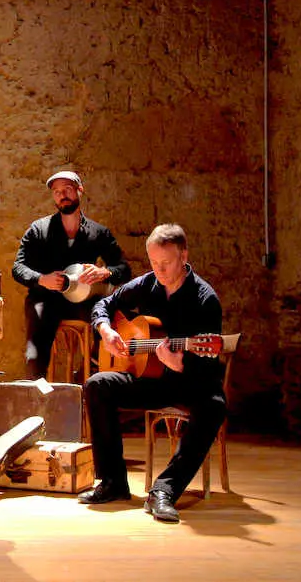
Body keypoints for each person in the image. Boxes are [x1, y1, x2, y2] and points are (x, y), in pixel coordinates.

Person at [78, 223, 225, 524]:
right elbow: (104, 304)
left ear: (184, 255)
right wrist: (105, 330)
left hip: (188, 381)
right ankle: (112, 482)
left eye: (166, 263)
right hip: (151, 379)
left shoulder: (204, 299)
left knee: (214, 406)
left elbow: (209, 364)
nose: (159, 269)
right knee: (97, 385)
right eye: (153, 263)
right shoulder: (148, 284)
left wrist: (178, 364)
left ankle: (165, 491)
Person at [11, 171, 130, 378]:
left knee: (107, 315)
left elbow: (124, 269)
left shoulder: (98, 232)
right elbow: (18, 268)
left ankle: (92, 371)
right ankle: (37, 395)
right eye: (56, 192)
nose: (61, 195)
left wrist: (105, 272)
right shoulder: (39, 229)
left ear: (79, 190)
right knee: (34, 353)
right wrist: (42, 279)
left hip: (84, 301)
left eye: (66, 189)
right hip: (46, 299)